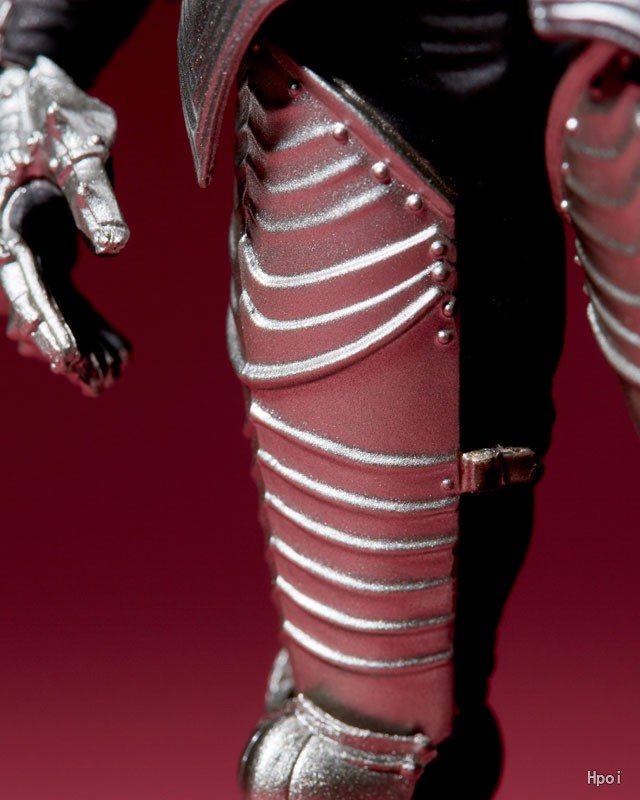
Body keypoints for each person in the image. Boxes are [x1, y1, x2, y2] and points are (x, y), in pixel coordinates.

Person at [0, 2, 637, 798]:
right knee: (356, 737)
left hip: (557, 107)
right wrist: (30, 72)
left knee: (392, 724)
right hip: (347, 135)